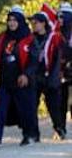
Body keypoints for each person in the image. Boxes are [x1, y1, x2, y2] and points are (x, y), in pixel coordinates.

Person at [0, 6, 36, 147]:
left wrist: (26, 75)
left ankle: (27, 135)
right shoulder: (2, 37)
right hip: (5, 81)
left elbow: (33, 60)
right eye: (9, 20)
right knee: (0, 109)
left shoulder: (29, 38)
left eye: (15, 20)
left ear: (20, 21)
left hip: (21, 82)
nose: (12, 23)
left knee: (23, 110)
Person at [28, 10, 64, 140]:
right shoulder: (30, 38)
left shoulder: (54, 38)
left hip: (49, 76)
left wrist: (53, 78)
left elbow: (57, 58)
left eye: (36, 22)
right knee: (32, 105)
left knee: (53, 106)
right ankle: (34, 134)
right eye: (32, 22)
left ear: (43, 23)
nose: (33, 24)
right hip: (34, 77)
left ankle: (59, 128)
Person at [59, 2, 72, 137]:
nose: (60, 20)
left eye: (63, 17)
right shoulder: (56, 34)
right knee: (61, 101)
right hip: (60, 71)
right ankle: (61, 128)